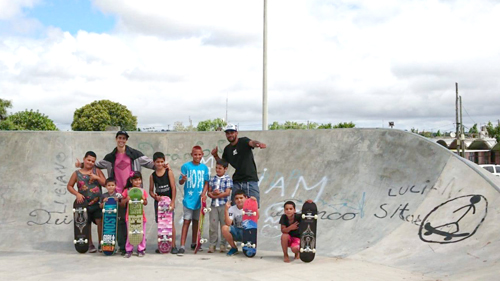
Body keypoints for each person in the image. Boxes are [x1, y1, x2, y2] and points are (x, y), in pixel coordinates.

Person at [75, 130, 166, 255]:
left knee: (136, 220)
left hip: (133, 193)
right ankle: (123, 247)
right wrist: (81, 164)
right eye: (119, 138)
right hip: (117, 193)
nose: (121, 140)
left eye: (124, 138)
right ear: (116, 139)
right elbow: (97, 164)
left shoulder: (135, 154)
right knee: (121, 220)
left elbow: (151, 163)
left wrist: (164, 166)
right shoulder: (111, 157)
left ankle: (140, 247)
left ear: (126, 140)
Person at [211, 124, 266, 207]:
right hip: (237, 182)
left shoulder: (243, 141)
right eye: (228, 133)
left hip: (250, 180)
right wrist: (215, 155)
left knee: (253, 207)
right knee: (235, 208)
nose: (230, 135)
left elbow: (252, 143)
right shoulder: (227, 149)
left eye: (232, 132)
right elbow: (223, 165)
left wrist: (258, 144)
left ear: (236, 133)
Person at [67, 151, 106, 253]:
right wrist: (77, 194)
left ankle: (101, 243)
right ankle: (90, 244)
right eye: (89, 160)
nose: (90, 162)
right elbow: (69, 186)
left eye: (93, 161)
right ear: (84, 159)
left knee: (100, 222)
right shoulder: (77, 173)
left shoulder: (97, 171)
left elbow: (106, 184)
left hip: (97, 203)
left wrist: (96, 177)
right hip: (83, 203)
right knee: (86, 224)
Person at [177, 146, 209, 256]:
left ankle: (194, 243)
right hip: (188, 199)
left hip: (199, 200)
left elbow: (206, 183)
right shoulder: (186, 166)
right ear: (192, 154)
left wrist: (204, 194)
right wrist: (183, 179)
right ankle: (182, 245)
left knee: (196, 221)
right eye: (195, 154)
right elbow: (180, 182)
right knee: (187, 221)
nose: (197, 156)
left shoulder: (204, 168)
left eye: (199, 154)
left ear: (202, 155)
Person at [149, 152, 178, 254]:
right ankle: (162, 245)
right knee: (162, 225)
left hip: (169, 202)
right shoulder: (152, 176)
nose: (160, 164)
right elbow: (151, 191)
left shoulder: (168, 172)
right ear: (154, 162)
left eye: (162, 161)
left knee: (171, 224)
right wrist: (155, 197)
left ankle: (173, 245)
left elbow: (174, 187)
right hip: (160, 203)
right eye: (158, 162)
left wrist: (173, 202)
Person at [221, 190, 259, 256]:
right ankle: (234, 248)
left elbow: (257, 217)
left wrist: (255, 205)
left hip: (247, 232)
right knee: (225, 228)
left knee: (249, 253)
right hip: (237, 231)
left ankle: (248, 245)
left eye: (241, 198)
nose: (239, 200)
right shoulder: (232, 209)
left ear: (246, 198)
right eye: (236, 198)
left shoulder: (250, 208)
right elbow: (228, 223)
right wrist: (226, 210)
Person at [121, 171, 148, 258]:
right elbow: (122, 203)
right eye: (135, 180)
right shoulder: (127, 191)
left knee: (141, 233)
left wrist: (144, 199)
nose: (138, 182)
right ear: (131, 181)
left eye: (139, 180)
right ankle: (129, 250)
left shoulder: (142, 191)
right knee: (130, 233)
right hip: (130, 216)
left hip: (141, 216)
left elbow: (145, 203)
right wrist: (126, 199)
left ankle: (141, 249)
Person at [207, 159, 232, 253]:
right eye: (216, 168)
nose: (218, 170)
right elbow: (209, 192)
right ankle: (212, 244)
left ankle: (223, 244)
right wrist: (212, 194)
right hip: (214, 205)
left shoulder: (227, 179)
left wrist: (217, 195)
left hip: (223, 205)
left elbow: (227, 193)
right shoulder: (212, 179)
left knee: (224, 224)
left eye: (220, 168)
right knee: (213, 225)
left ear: (225, 169)